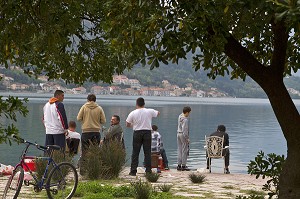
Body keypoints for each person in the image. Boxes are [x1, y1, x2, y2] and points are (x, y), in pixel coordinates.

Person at [126, 97, 160, 176]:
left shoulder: (133, 113)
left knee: (135, 152)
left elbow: (127, 123)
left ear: (136, 104)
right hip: (147, 133)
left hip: (137, 133)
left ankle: (133, 171)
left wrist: (133, 125)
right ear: (144, 104)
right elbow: (158, 113)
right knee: (147, 152)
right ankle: (148, 170)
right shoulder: (149, 111)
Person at [77, 94, 106, 159]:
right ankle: (94, 167)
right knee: (95, 151)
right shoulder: (99, 108)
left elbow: (78, 118)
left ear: (87, 100)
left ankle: (83, 168)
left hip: (85, 132)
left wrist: (85, 120)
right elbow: (103, 121)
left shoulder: (84, 107)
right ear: (95, 100)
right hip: (96, 132)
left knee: (84, 151)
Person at [177, 106, 192, 171]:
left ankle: (179, 165)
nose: (189, 114)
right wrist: (187, 138)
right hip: (183, 135)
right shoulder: (185, 120)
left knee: (179, 149)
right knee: (184, 150)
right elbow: (185, 130)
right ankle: (183, 165)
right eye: (189, 113)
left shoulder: (180, 116)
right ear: (187, 112)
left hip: (178, 133)